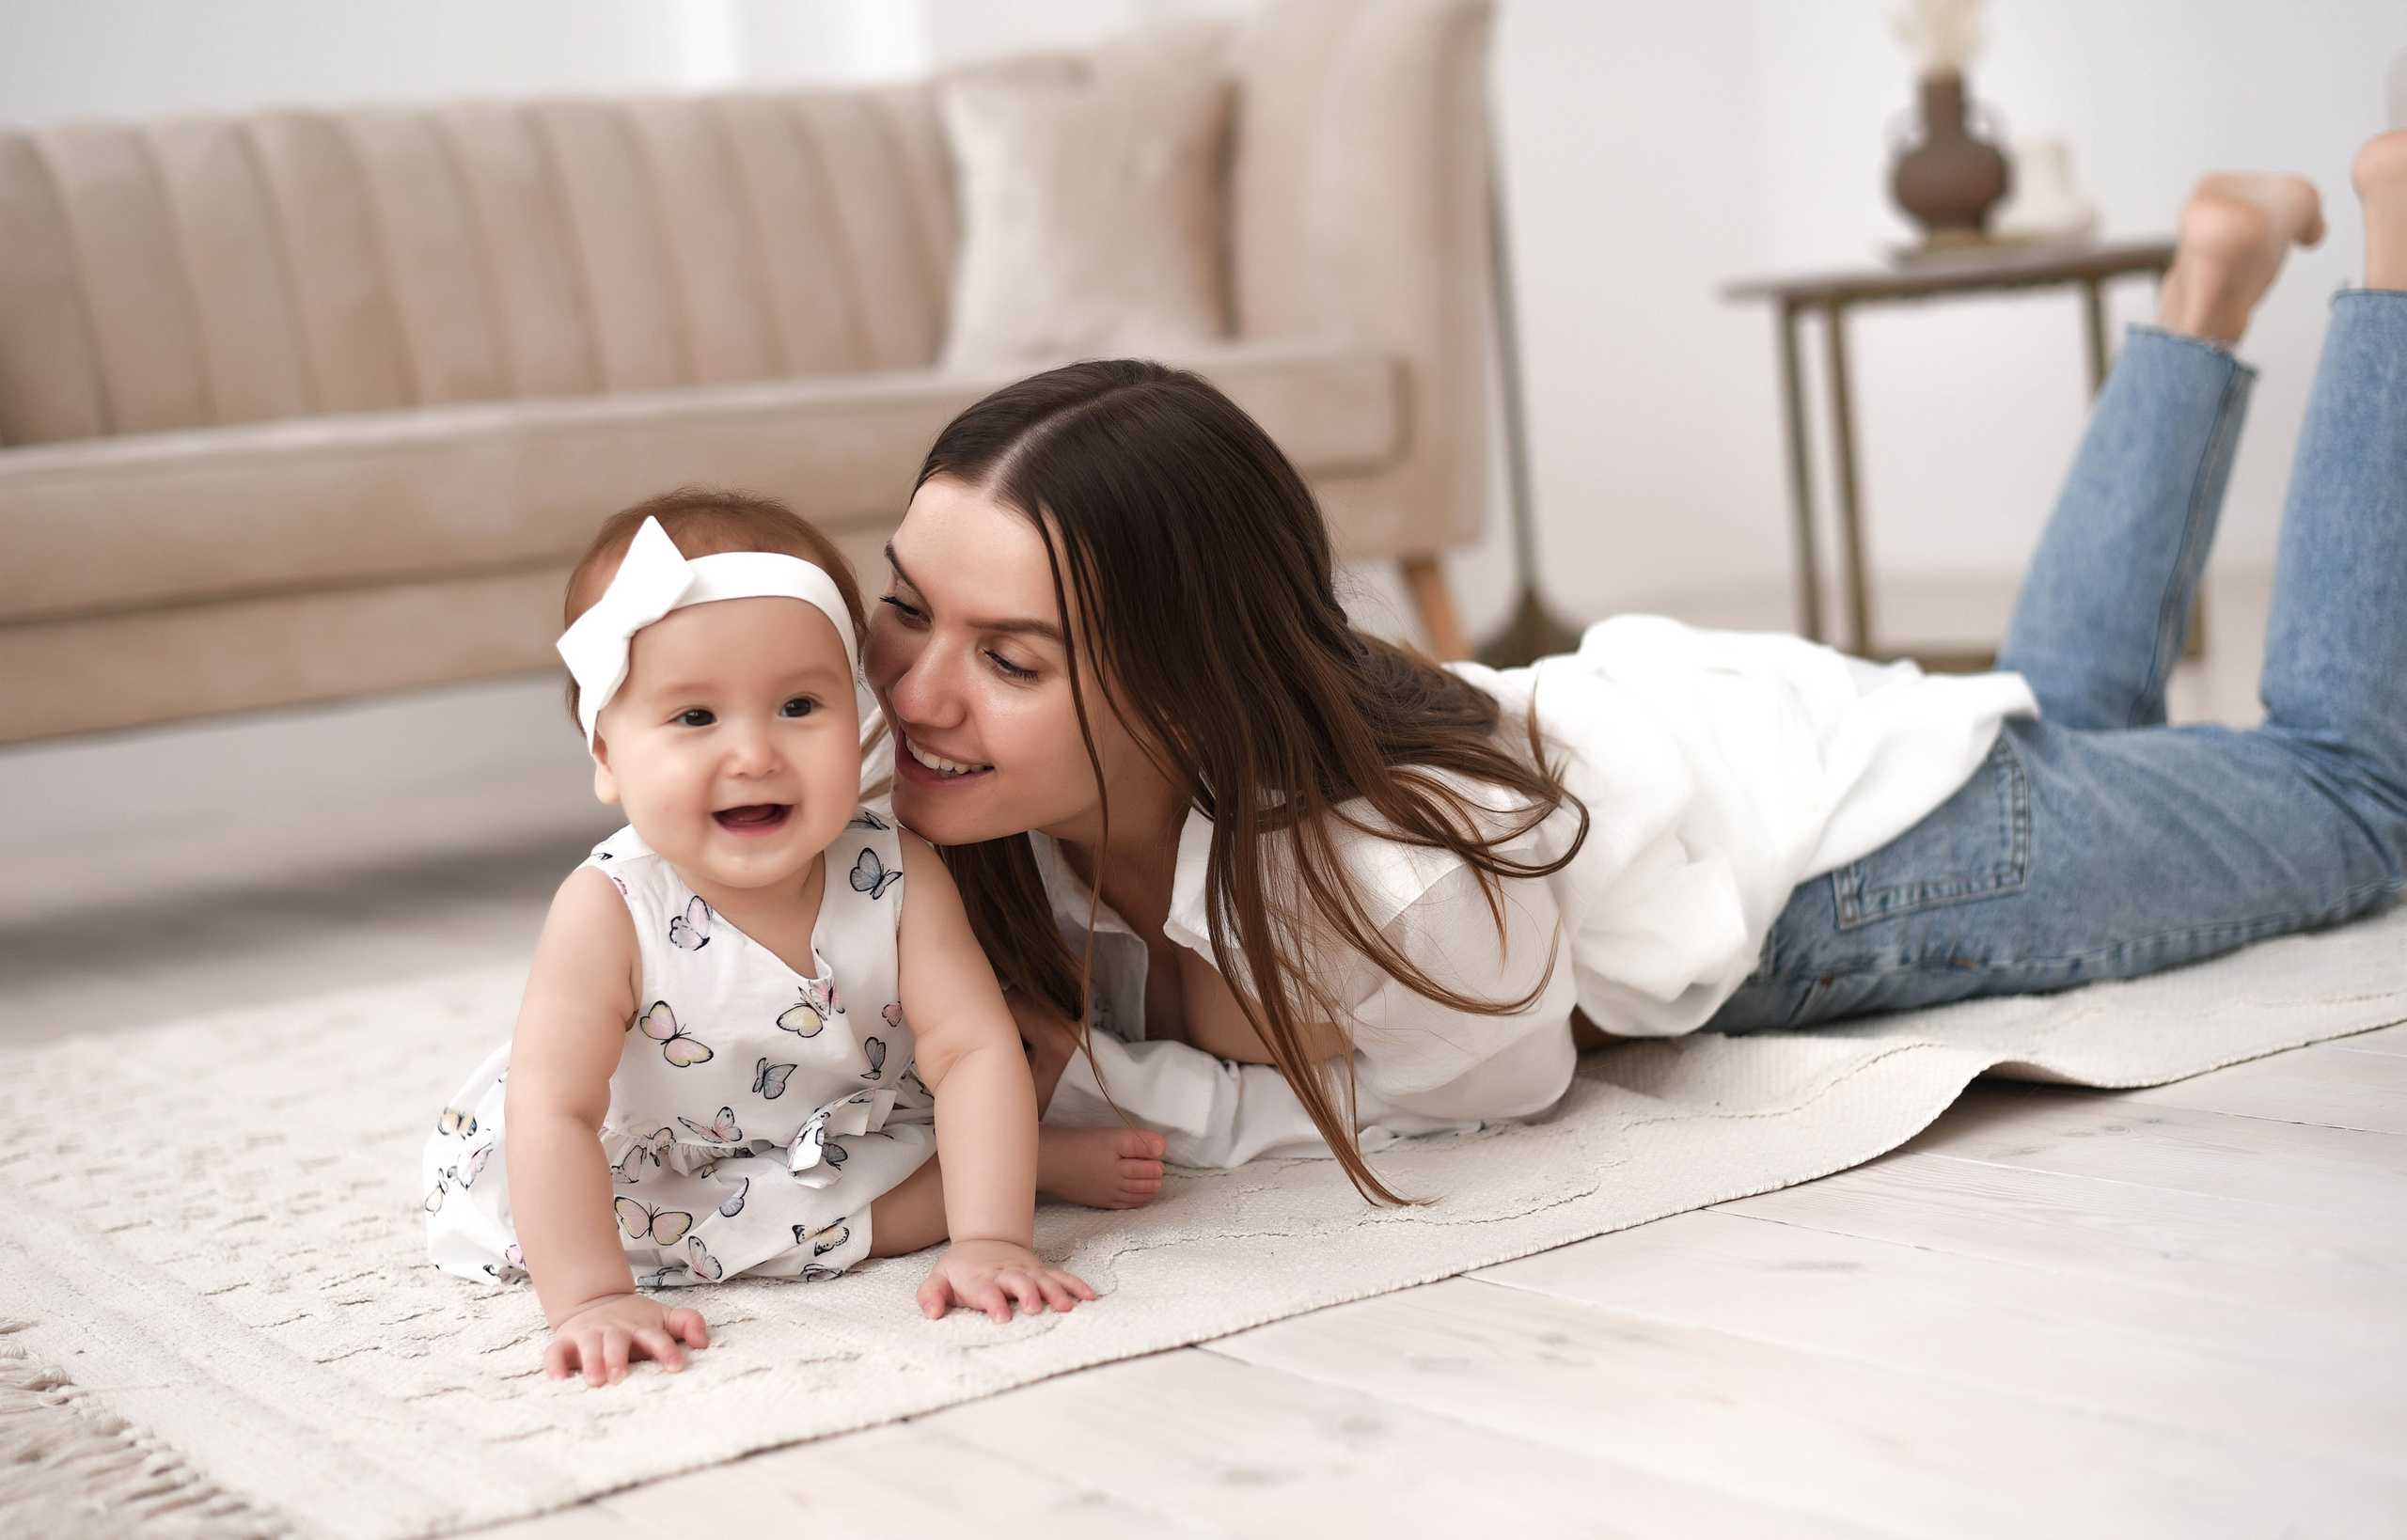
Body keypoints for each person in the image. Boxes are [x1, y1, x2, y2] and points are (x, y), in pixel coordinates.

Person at [861, 133, 2407, 1204]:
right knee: (2061, 712)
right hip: (1683, 740)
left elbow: (1495, 1095)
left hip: (1862, 859)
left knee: (2354, 793)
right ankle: (2207, 287)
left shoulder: (1391, 885)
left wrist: (1125, 1089)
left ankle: (2395, 258)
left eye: (1009, 659)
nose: (916, 693)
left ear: (1188, 686)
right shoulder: (968, 811)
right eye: (906, 609)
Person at [423, 491, 1156, 1388]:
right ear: (607, 755)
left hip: (835, 1122)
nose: (755, 755)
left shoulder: (896, 870)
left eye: (799, 705)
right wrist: (591, 1299)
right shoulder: (609, 909)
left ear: (860, 718)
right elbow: (554, 1112)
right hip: (652, 1162)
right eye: (696, 718)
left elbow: (971, 1050)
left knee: (928, 1149)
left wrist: (993, 1240)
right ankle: (1032, 1167)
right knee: (712, 1234)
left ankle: (1005, 1183)